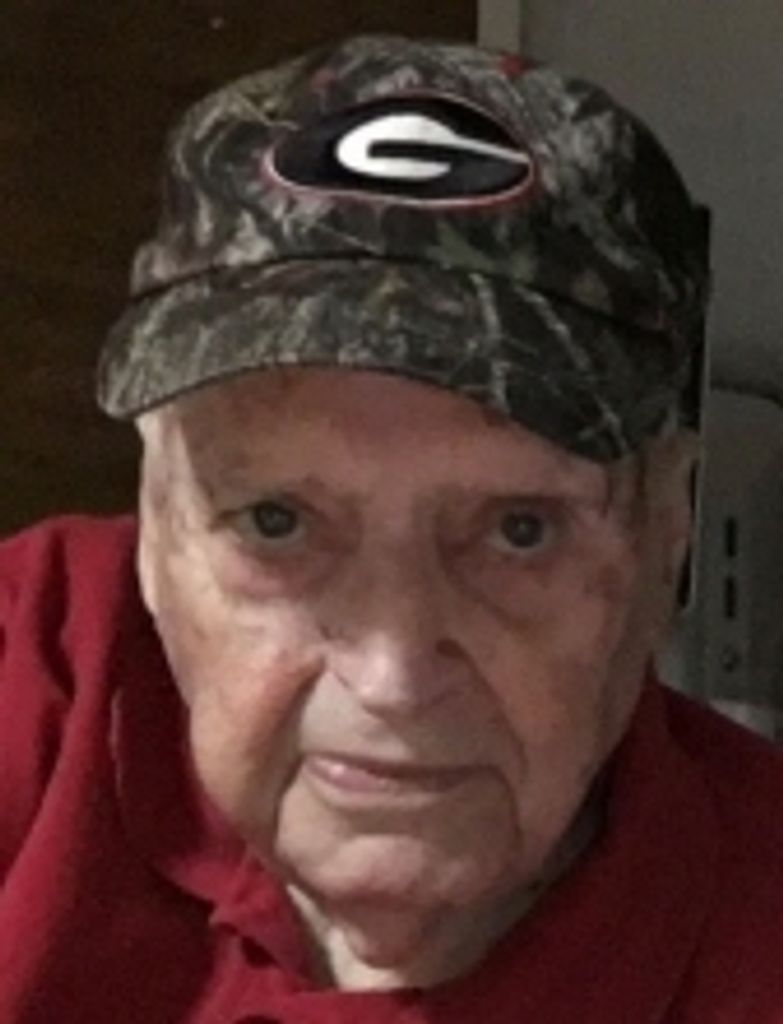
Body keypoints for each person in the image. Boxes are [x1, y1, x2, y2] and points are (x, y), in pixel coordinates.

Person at [1, 33, 782, 1023]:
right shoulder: (40, 670)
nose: (392, 675)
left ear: (666, 529)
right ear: (155, 520)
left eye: (521, 530)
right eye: (278, 521)